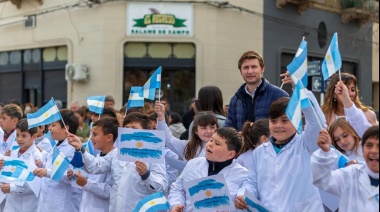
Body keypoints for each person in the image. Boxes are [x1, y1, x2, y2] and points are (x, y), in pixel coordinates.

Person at [235, 96, 325, 211]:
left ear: (296, 120)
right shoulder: (259, 152)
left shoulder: (305, 144)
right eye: (273, 121)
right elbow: (251, 182)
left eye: (284, 120)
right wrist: (243, 194)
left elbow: (317, 122)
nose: (278, 126)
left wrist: (301, 93)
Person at [67, 112, 168, 211]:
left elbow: (161, 187)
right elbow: (95, 166)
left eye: (134, 128)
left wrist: (146, 174)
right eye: (126, 128)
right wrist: (80, 147)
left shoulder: (154, 154)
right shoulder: (116, 153)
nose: (129, 131)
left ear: (146, 132)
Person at [169, 127, 249, 212]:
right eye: (211, 140)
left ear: (230, 154)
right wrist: (176, 204)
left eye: (217, 144)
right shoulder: (193, 164)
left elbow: (244, 205)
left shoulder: (243, 175)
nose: (210, 144)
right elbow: (178, 188)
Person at [311, 126, 379, 212]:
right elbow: (322, 180)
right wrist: (325, 153)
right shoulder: (351, 173)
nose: (374, 151)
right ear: (363, 149)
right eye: (369, 146)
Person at [225, 50, 288, 131]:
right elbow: (228, 130)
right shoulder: (235, 100)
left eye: (254, 67)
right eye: (246, 67)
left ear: (262, 69)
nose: (250, 71)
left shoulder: (279, 95)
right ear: (241, 71)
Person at [33, 109, 82, 212]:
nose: (49, 128)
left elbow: (70, 175)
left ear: (65, 129)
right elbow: (53, 166)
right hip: (49, 201)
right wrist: (43, 165)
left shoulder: (73, 149)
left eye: (53, 125)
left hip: (62, 204)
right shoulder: (58, 144)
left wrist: (47, 172)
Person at [67, 118, 116, 212]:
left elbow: (110, 191)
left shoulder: (115, 159)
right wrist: (76, 177)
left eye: (95, 134)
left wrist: (86, 183)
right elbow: (92, 171)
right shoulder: (98, 156)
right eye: (91, 134)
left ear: (109, 137)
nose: (91, 138)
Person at [0, 118, 43, 211]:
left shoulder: (37, 157)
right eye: (17, 135)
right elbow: (6, 177)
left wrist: (12, 188)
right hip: (11, 204)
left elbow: (35, 185)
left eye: (24, 136)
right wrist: (1, 168)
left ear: (34, 136)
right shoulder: (12, 153)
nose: (19, 139)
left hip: (28, 205)